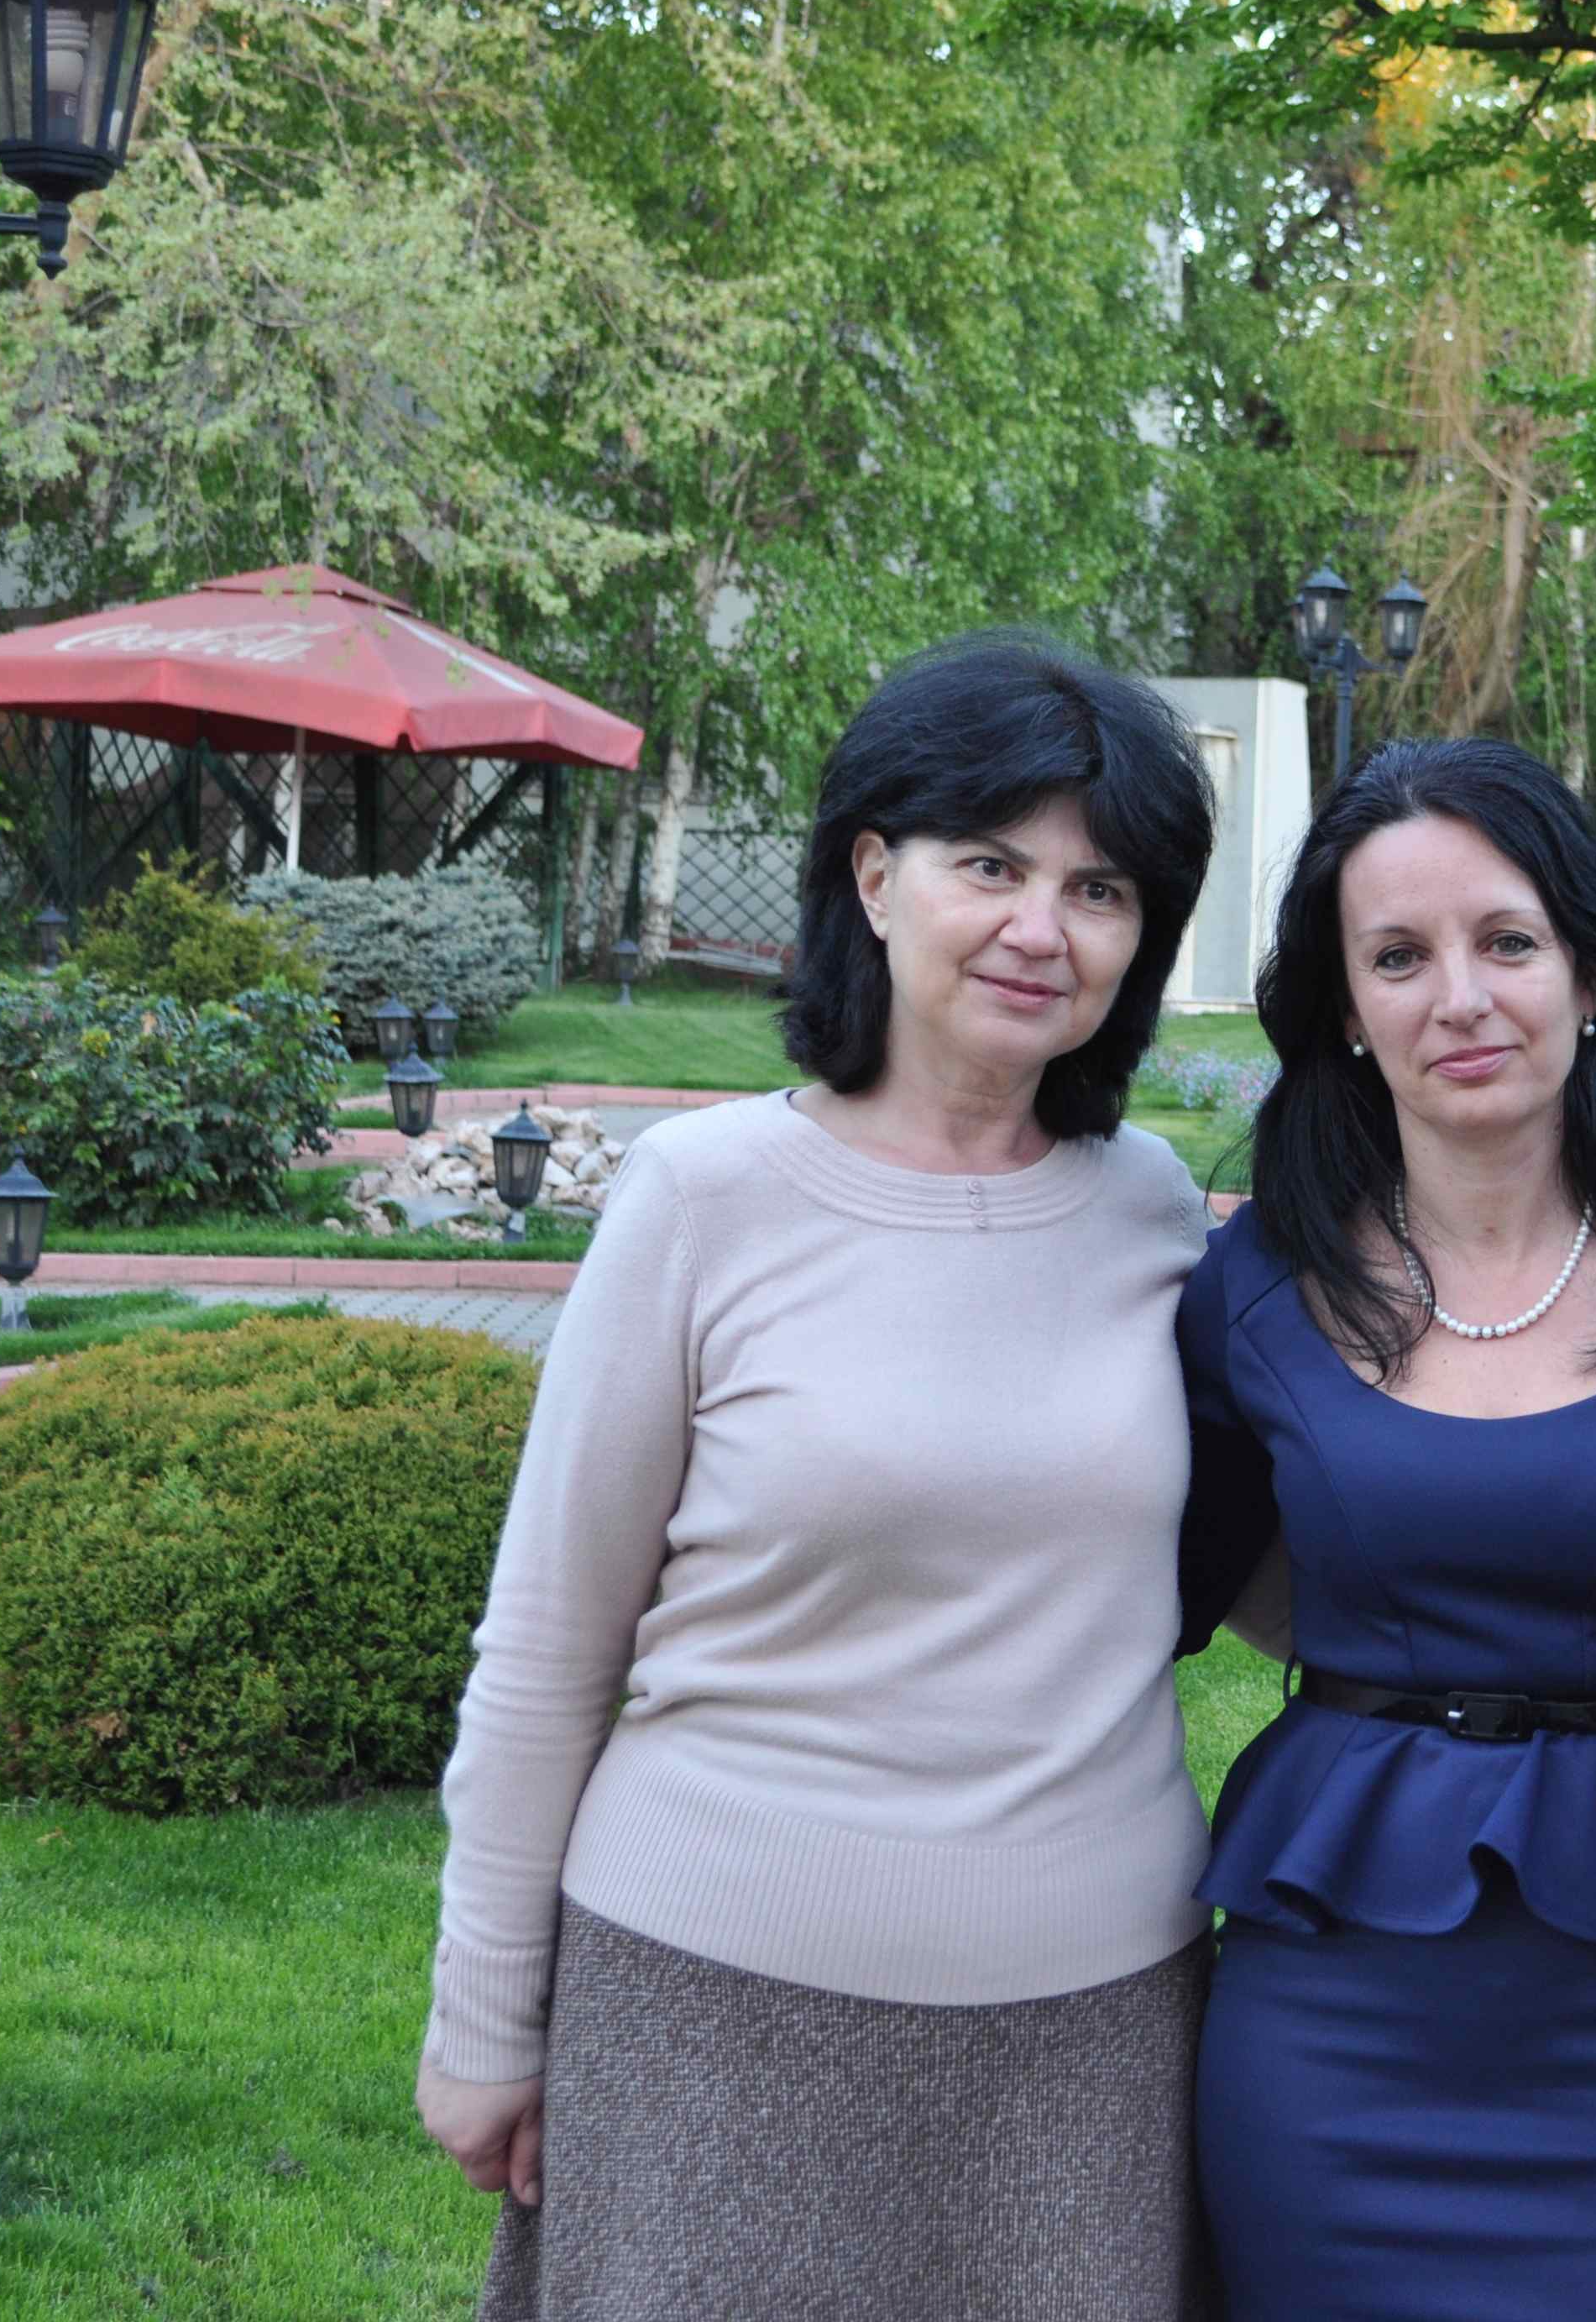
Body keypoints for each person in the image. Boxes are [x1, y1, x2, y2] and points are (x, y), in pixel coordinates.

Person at [416, 635, 1224, 2321]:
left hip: (1093, 2036)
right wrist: (485, 2018)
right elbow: (548, 1646)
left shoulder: (1154, 1209)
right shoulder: (702, 1197)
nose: (1041, 926)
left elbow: (1250, 1558)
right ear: (872, 874)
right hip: (711, 2006)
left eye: (1098, 889)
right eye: (988, 864)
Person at [1176, 737, 1596, 2322]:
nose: (1460, 999)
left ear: (1591, 977)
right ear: (1346, 1010)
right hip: (1329, 2012)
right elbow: (1173, 1584)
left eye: (1507, 942)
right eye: (1397, 958)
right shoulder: (1255, 1289)